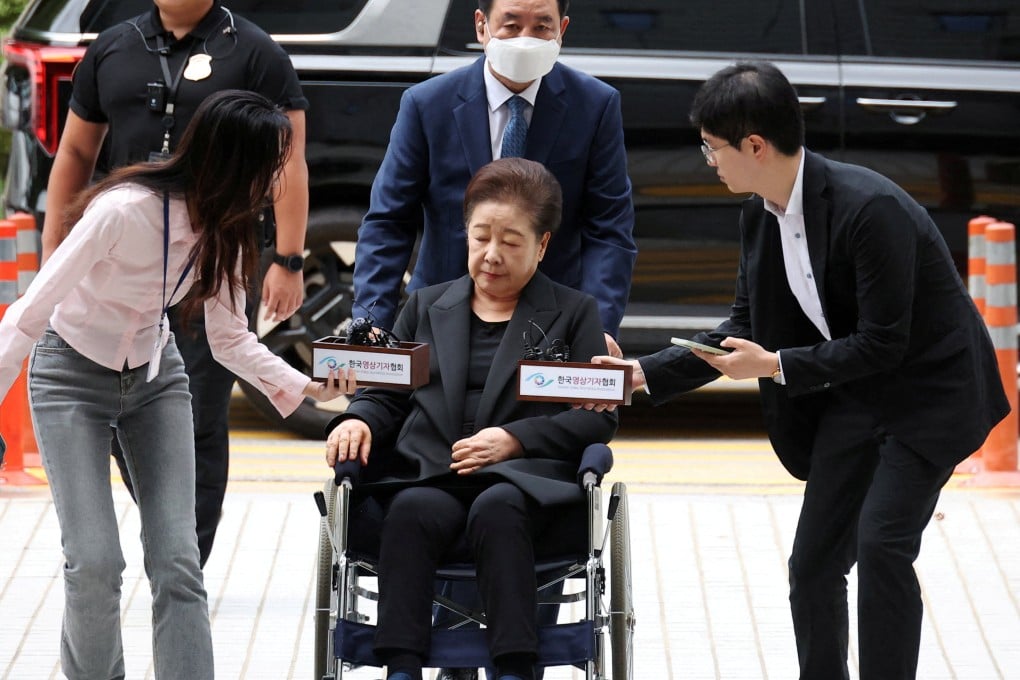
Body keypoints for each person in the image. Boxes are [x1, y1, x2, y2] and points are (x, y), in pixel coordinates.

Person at [589, 62, 1009, 680]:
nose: (708, 161)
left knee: (882, 545)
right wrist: (639, 375)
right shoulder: (760, 212)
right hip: (854, 394)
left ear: (754, 145)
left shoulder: (870, 209)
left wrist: (778, 365)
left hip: (929, 396)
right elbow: (743, 324)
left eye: (711, 148)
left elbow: (884, 344)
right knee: (812, 562)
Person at [0, 91, 351, 680]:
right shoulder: (121, 210)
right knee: (94, 561)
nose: (278, 181)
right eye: (272, 165)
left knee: (178, 560)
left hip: (155, 379)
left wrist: (308, 387)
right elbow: (30, 312)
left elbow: (230, 339)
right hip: (70, 377)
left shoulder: (227, 227)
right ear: (234, 162)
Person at [326, 158, 619, 680]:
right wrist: (359, 420)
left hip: (524, 484)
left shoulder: (574, 314)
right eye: (481, 236)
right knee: (411, 508)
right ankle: (401, 667)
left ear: (543, 245)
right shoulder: (424, 305)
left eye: (510, 241)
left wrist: (515, 439)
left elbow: (595, 418)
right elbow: (388, 392)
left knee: (498, 508)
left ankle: (513, 668)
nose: (491, 254)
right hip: (433, 472)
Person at [41, 0, 310, 566]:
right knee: (122, 413)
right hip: (123, 257)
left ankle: (189, 554)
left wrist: (288, 258)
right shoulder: (112, 46)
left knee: (200, 407)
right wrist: (53, 248)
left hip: (210, 255)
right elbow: (75, 151)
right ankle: (169, 528)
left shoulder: (255, 51)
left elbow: (288, 160)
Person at [353, 0, 636, 359]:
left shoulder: (595, 106)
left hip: (551, 324)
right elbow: (389, 220)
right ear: (481, 25)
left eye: (541, 28)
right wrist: (372, 320)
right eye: (512, 25)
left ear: (561, 30)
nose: (525, 39)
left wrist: (600, 327)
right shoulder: (428, 105)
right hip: (442, 313)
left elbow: (609, 228)